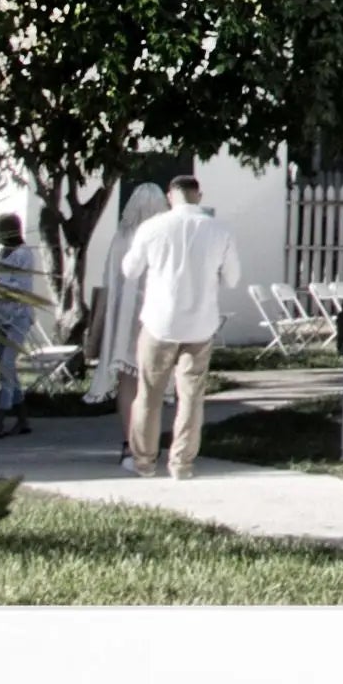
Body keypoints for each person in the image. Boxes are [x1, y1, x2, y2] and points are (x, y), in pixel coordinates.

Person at [115, 171, 241, 479]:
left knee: (149, 394)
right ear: (199, 195)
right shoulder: (219, 230)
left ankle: (143, 461)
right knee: (191, 396)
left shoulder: (153, 227)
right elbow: (233, 279)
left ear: (170, 197)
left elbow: (130, 270)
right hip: (200, 323)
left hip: (160, 321)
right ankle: (182, 464)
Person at [87, 177, 167, 442]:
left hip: (123, 318)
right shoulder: (163, 238)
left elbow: (112, 280)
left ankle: (129, 440)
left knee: (127, 381)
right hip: (154, 316)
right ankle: (147, 440)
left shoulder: (120, 238)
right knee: (152, 381)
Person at [0, 213, 47, 440]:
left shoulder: (24, 254)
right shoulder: (1, 253)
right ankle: (22, 419)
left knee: (6, 366)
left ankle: (0, 418)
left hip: (17, 318)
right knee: (6, 370)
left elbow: (17, 286)